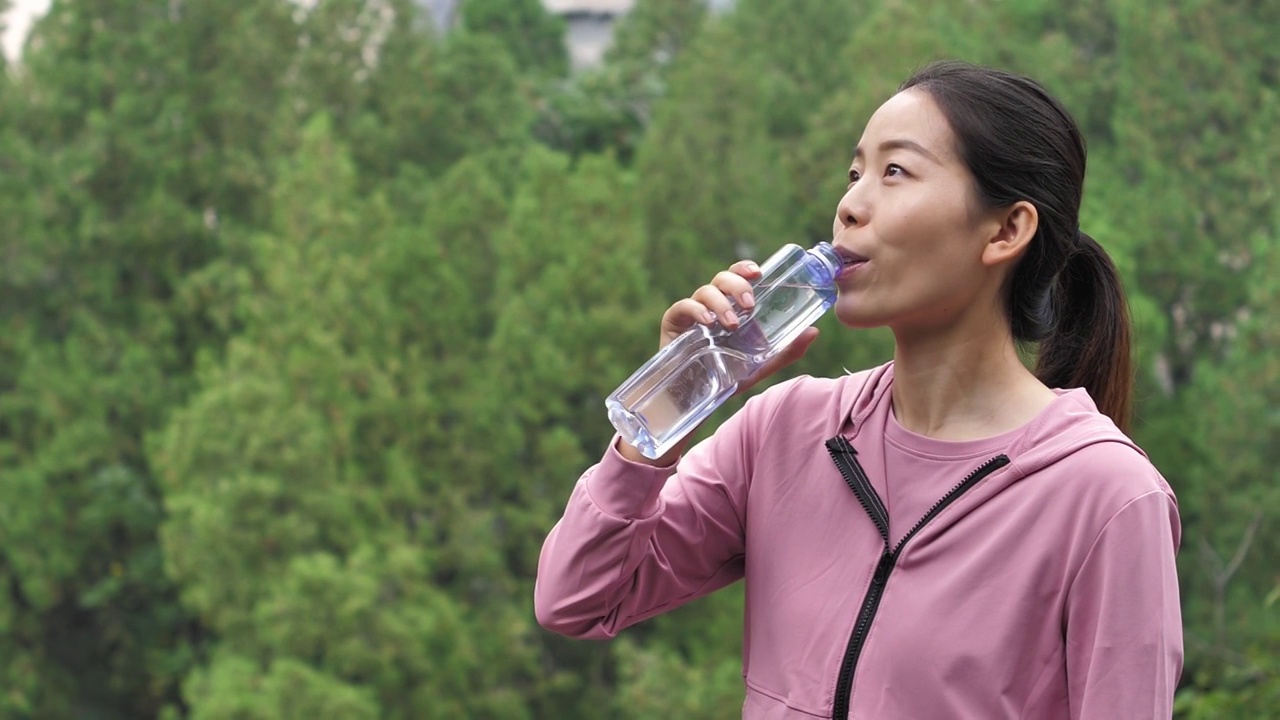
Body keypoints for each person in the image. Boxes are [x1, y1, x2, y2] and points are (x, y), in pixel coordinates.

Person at [534, 60, 1182, 719]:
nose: (849, 205)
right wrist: (678, 396)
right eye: (854, 174)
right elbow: (577, 597)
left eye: (895, 171)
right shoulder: (784, 431)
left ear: (1006, 230)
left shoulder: (1106, 496)